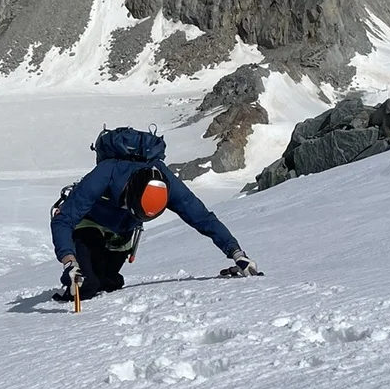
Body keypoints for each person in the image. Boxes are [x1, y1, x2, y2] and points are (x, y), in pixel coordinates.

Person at [50, 129, 260, 301]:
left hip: (122, 233)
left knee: (108, 283)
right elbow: (63, 219)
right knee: (87, 285)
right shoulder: (106, 173)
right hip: (90, 224)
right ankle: (76, 279)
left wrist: (236, 253)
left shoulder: (166, 182)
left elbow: (202, 218)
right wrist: (70, 261)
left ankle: (94, 274)